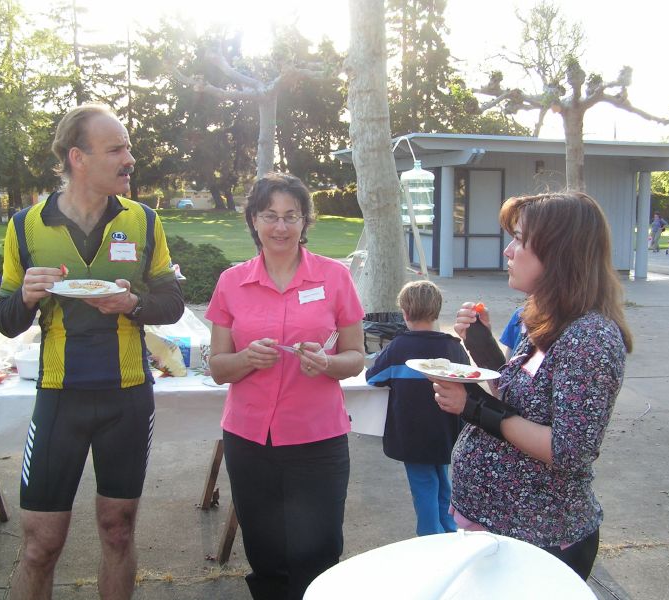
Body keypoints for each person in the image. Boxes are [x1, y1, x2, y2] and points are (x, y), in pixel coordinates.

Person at [0, 103, 184, 600]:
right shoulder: (26, 226)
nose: (129, 160)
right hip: (60, 396)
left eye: (128, 148)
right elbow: (7, 320)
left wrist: (133, 303)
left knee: (118, 531)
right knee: (40, 544)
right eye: (117, 149)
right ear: (78, 157)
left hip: (127, 396)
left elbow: (171, 303)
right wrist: (27, 296)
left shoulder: (143, 220)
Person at [437, 191, 632, 581]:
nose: (509, 251)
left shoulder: (590, 337)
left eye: (520, 239)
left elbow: (569, 449)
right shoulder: (545, 318)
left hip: (539, 541)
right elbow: (520, 393)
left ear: (560, 252)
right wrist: (482, 345)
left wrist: (473, 408)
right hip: (502, 529)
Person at [205, 172, 365, 600]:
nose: (280, 227)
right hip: (249, 439)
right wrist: (245, 359)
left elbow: (356, 356)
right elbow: (218, 368)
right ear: (253, 221)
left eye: (291, 216)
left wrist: (327, 363)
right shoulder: (231, 282)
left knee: (319, 551)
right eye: (269, 216)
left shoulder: (334, 278)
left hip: (317, 439)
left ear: (305, 221)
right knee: (265, 551)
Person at [365, 280, 466, 536]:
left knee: (423, 484)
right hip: (446, 430)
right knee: (442, 480)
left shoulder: (399, 347)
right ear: (437, 311)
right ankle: (449, 529)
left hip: (413, 434)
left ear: (405, 314)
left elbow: (373, 377)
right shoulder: (453, 346)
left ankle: (430, 536)